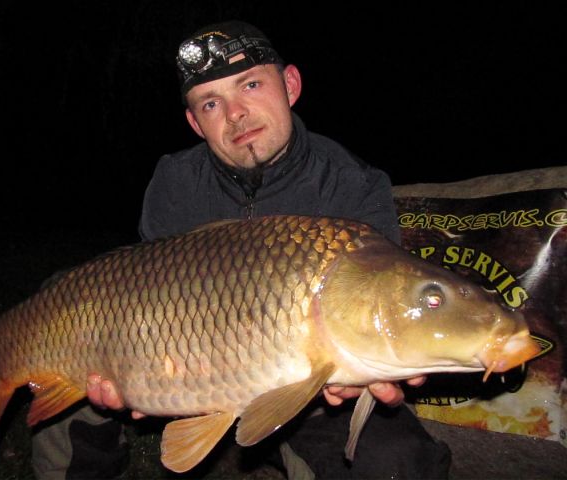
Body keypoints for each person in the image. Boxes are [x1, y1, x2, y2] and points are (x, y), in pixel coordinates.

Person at [33, 20, 451, 479]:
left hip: (308, 397)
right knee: (67, 401)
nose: (235, 113)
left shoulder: (352, 184)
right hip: (192, 374)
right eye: (211, 103)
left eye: (250, 85)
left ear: (289, 85)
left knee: (398, 461)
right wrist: (136, 377)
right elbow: (147, 305)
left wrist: (366, 374)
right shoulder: (175, 181)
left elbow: (375, 312)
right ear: (195, 122)